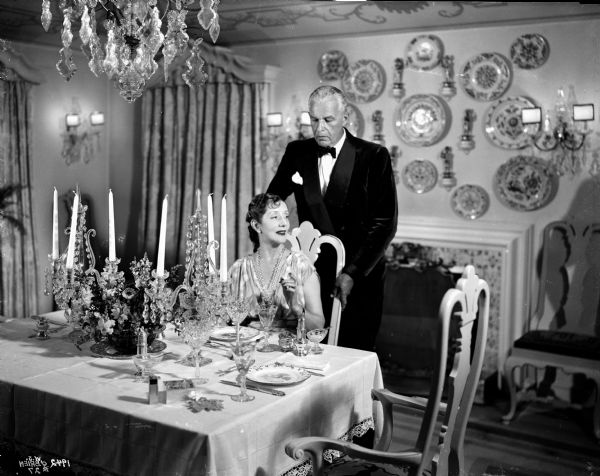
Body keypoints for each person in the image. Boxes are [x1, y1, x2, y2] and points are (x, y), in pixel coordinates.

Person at [267, 85, 398, 351]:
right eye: (314, 120)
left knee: (351, 350)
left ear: (345, 117)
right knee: (307, 350)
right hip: (312, 273)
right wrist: (266, 249)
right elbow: (271, 202)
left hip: (359, 273)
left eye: (328, 120)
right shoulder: (297, 152)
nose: (319, 128)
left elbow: (385, 223)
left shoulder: (374, 156)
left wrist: (352, 273)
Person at [228, 192, 325, 331]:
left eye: (285, 216)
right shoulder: (239, 269)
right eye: (275, 217)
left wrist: (298, 309)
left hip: (289, 348)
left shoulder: (300, 266)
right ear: (256, 225)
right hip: (249, 348)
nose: (284, 223)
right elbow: (224, 323)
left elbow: (318, 326)